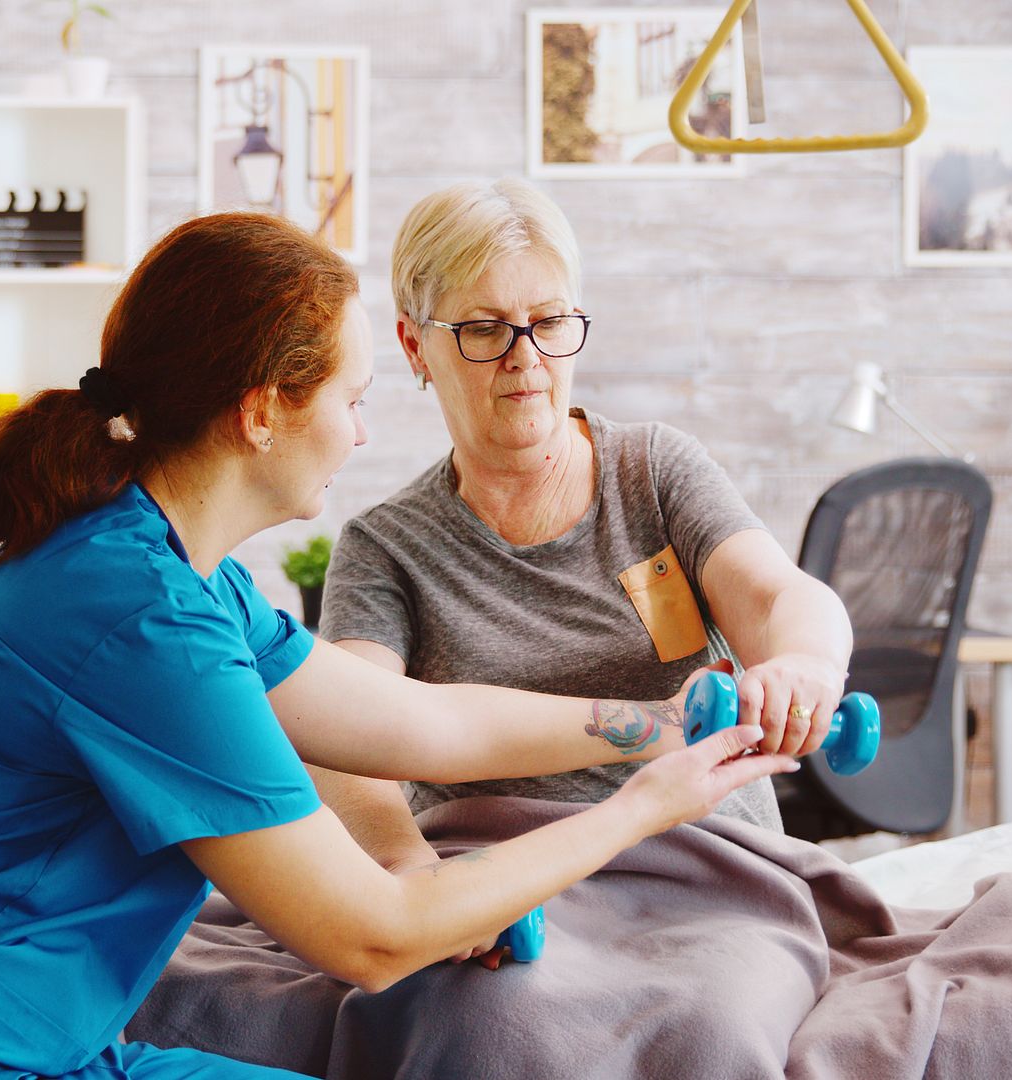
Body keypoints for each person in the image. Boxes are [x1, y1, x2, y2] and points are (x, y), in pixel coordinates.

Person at [0, 211, 797, 1080]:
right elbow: (373, 937)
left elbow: (425, 721)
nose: (363, 432)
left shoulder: (179, 574)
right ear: (262, 410)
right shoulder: (135, 617)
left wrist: (656, 727)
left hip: (8, 1037)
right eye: (353, 398)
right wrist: (644, 804)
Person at [312, 180, 854, 924]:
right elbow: (351, 736)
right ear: (416, 346)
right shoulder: (386, 548)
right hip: (508, 890)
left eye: (549, 321)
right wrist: (411, 873)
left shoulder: (656, 471)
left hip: (704, 871)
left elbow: (773, 595)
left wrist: (808, 663)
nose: (524, 357)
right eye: (484, 329)